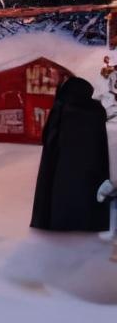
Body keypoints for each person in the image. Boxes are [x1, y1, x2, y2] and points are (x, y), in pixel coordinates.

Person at [30, 76, 112, 232]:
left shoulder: (62, 107)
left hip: (61, 166)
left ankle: (60, 221)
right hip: (91, 169)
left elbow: (48, 136)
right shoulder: (96, 111)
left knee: (60, 194)